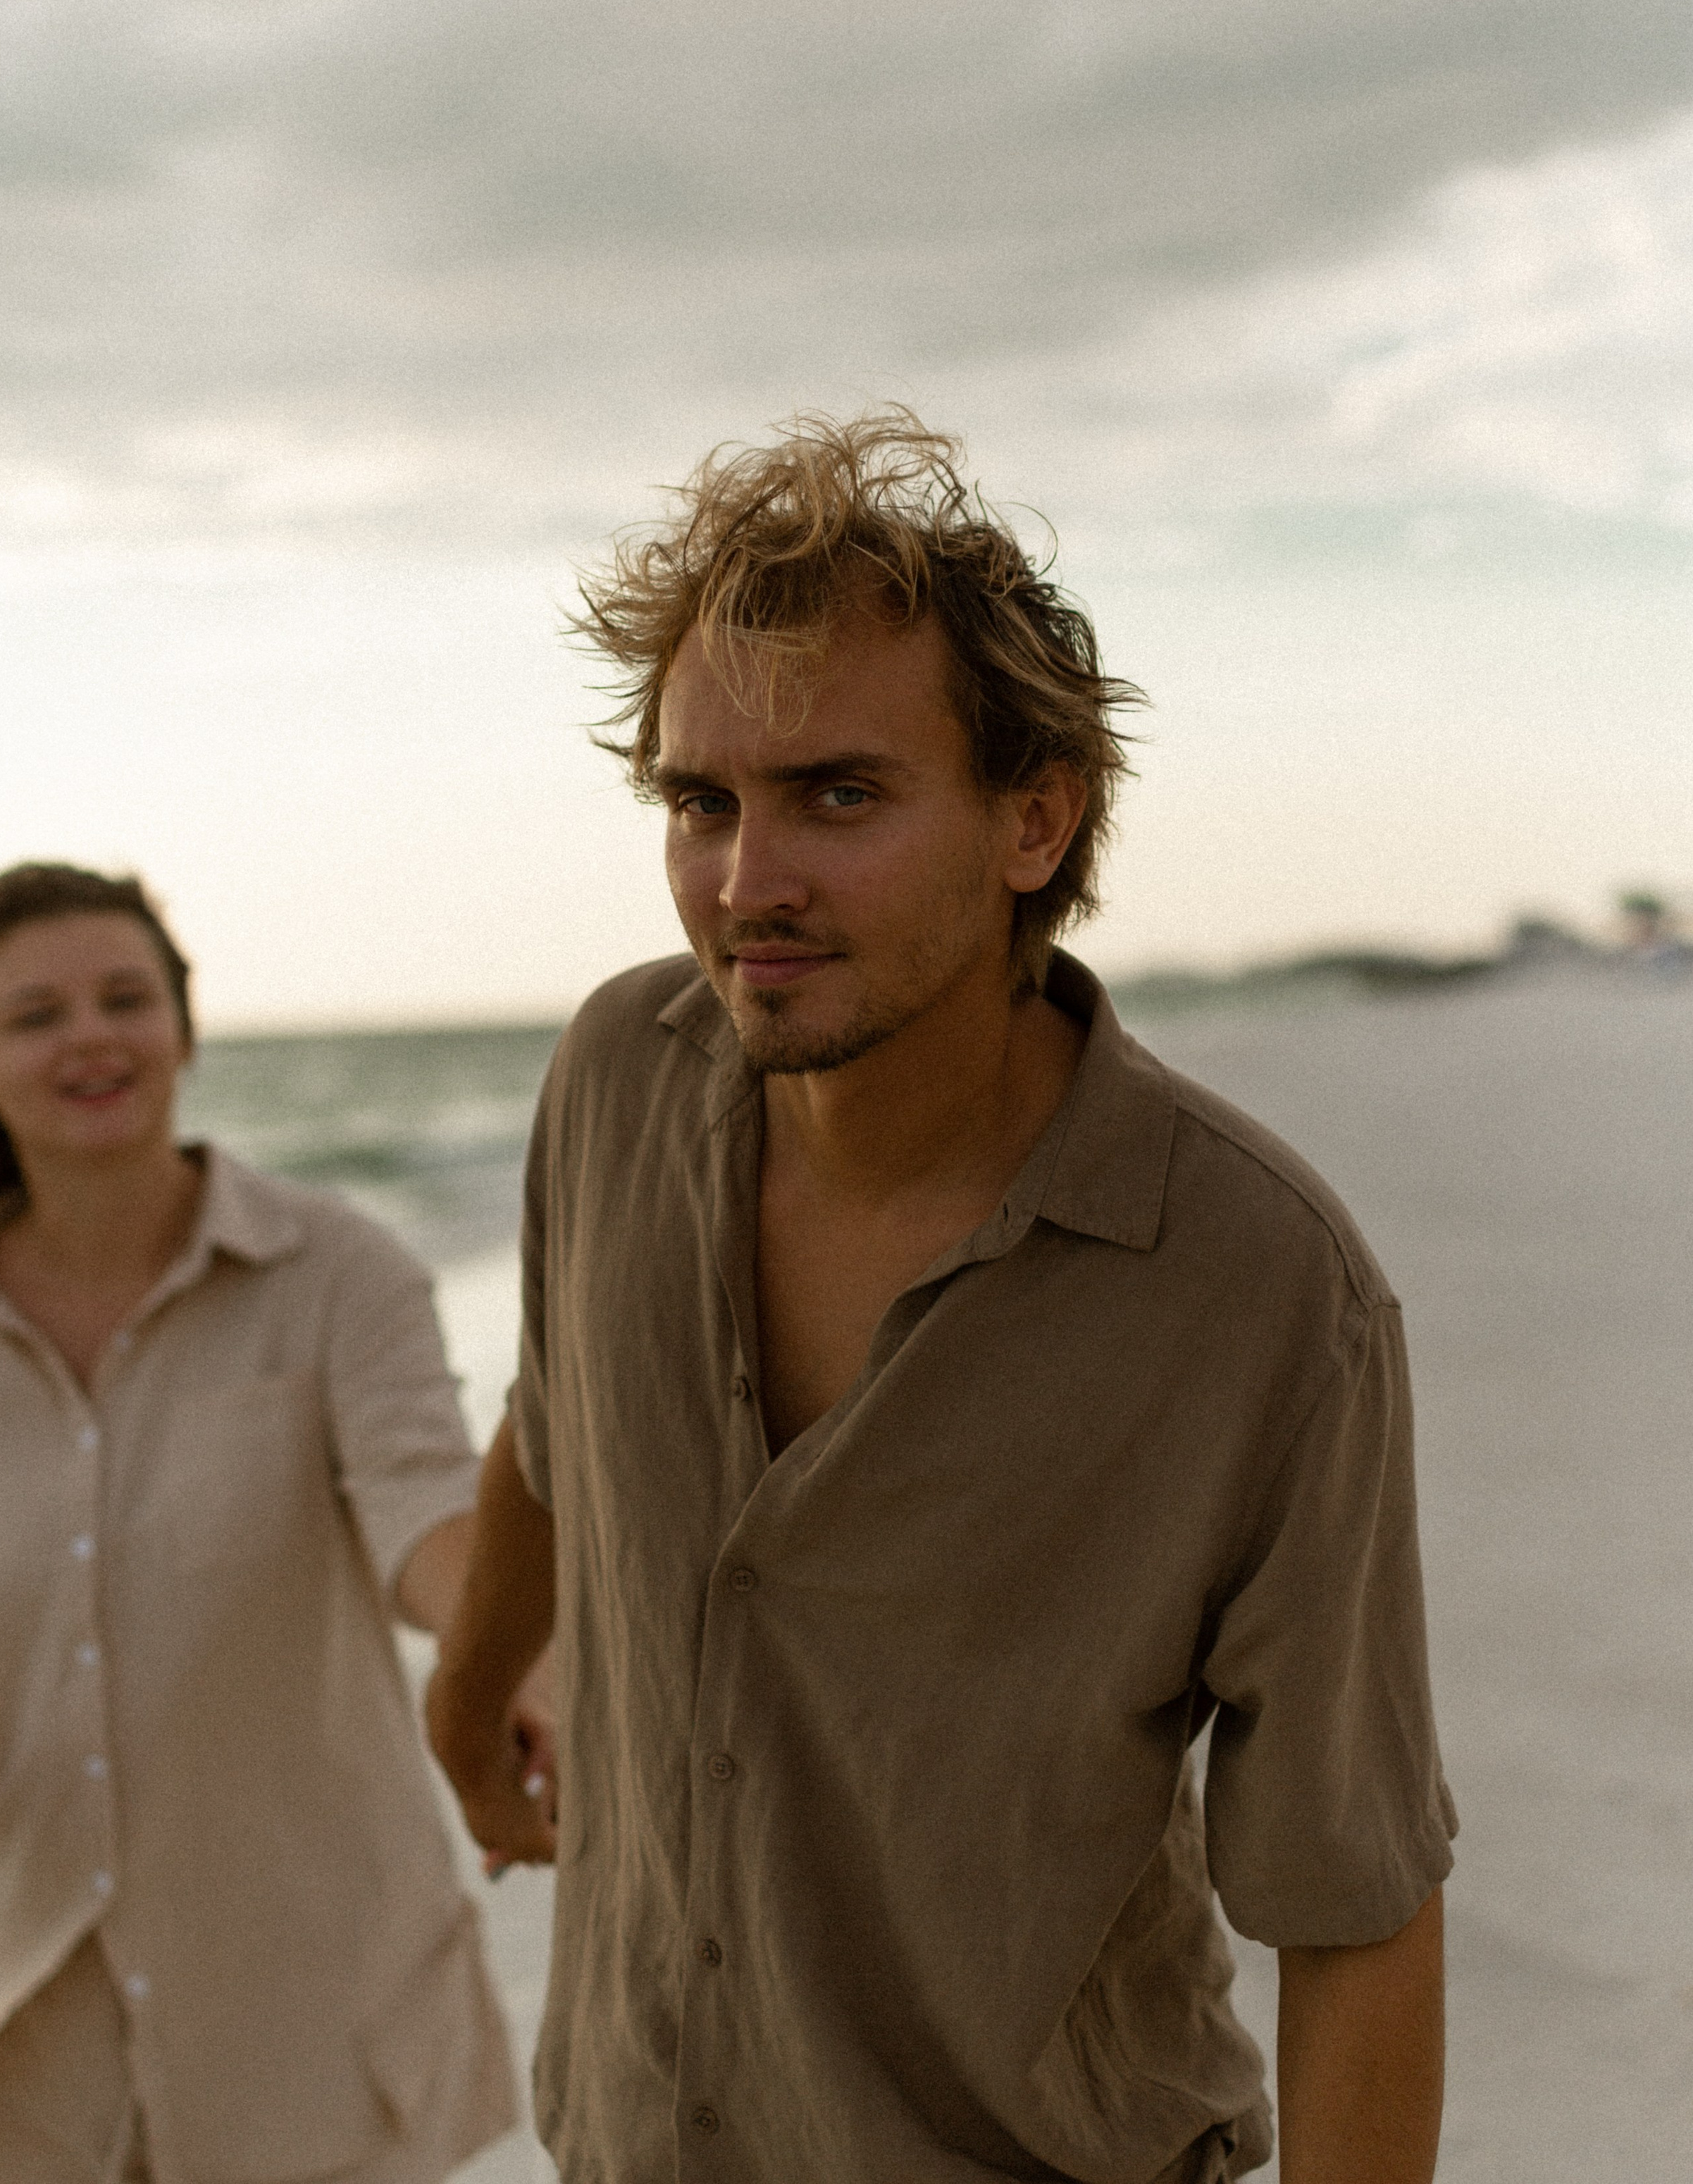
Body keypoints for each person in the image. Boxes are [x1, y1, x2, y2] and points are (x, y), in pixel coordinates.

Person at [428, 413, 1456, 2184]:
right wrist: (462, 1715)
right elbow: (552, 1427)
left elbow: (1350, 1910)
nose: (748, 884)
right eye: (701, 802)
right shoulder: (612, 1076)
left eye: (838, 795)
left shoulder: (1261, 1292)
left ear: (1031, 821)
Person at [0, 860, 550, 2184]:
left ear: (184, 1031)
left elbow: (424, 1507)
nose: (91, 1035)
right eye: (36, 1015)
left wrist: (521, 1647)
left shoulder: (339, 1273)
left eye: (125, 998)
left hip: (312, 2030)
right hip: (13, 2054)